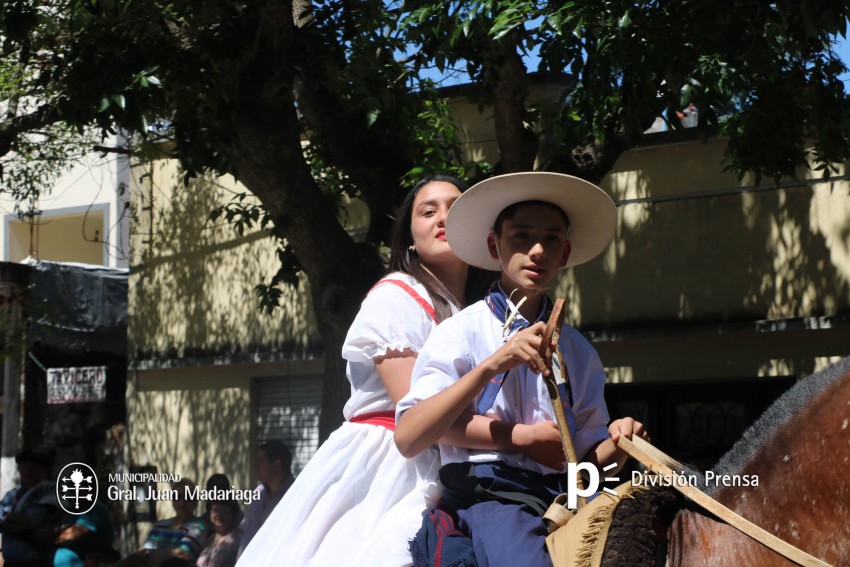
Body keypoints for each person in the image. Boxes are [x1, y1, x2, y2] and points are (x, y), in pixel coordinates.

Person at [394, 172, 648, 567]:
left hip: (566, 496)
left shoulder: (579, 352)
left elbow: (587, 469)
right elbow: (409, 437)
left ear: (565, 253)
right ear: (494, 245)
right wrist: (493, 365)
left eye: (551, 240)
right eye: (521, 236)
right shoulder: (460, 333)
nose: (538, 250)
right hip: (492, 496)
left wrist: (621, 444)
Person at [237, 175, 492, 566]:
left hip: (451, 458)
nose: (443, 217)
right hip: (391, 467)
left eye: (455, 208)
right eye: (428, 211)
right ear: (409, 239)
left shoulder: (479, 313)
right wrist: (524, 438)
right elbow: (418, 420)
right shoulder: (397, 295)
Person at [115, 479, 205, 567]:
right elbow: (144, 550)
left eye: (188, 497)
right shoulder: (160, 525)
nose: (182, 502)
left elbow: (181, 554)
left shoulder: (198, 526)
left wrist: (149, 553)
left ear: (196, 502)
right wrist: (151, 553)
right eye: (177, 497)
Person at [0, 449, 62, 567]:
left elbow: (30, 519)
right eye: (24, 465)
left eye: (33, 466)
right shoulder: (12, 494)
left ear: (43, 470)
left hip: (37, 563)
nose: (28, 470)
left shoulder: (51, 491)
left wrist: (8, 518)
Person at [235, 440, 293, 559]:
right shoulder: (258, 492)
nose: (255, 466)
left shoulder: (295, 496)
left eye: (260, 461)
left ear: (276, 465)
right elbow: (246, 530)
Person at [196, 500, 242, 567]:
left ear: (232, 514)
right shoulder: (209, 539)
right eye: (215, 510)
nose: (218, 514)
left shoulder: (238, 539)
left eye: (224, 510)